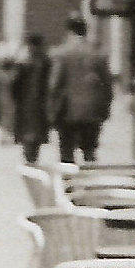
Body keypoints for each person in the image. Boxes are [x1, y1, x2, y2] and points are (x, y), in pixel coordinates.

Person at [48, 14, 114, 165]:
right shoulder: (98, 54)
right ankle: (89, 184)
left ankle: (69, 186)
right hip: (93, 111)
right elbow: (107, 85)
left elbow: (54, 84)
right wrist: (105, 109)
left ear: (69, 30)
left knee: (66, 153)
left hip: (67, 111)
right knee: (89, 151)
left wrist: (52, 110)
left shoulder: (61, 53)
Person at [11, 32, 51, 163]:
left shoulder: (23, 63)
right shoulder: (46, 62)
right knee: (37, 133)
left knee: (27, 133)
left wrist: (16, 98)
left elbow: (14, 85)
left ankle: (29, 156)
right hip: (41, 103)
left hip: (25, 103)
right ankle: (32, 156)